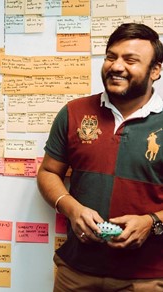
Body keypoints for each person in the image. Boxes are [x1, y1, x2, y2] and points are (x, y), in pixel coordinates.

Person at [37, 23, 163, 291]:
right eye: (111, 56)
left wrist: (151, 223)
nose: (116, 67)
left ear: (156, 70)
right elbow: (48, 172)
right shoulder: (74, 112)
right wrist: (71, 209)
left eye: (130, 60)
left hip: (147, 278)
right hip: (75, 272)